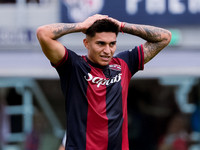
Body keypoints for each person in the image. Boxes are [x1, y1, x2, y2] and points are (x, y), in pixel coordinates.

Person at [37, 14, 171, 150]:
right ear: (86, 43)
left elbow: (165, 37)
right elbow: (43, 33)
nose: (107, 51)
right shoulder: (73, 66)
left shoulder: (124, 63)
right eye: (101, 43)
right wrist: (81, 26)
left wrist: (122, 26)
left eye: (112, 44)